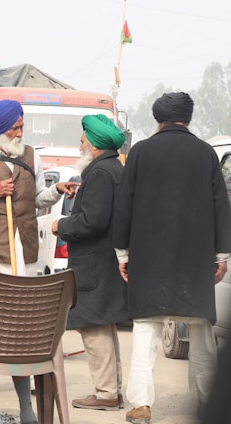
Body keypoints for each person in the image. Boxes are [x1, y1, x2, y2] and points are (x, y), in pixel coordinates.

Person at [0, 99, 78, 424]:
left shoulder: (30, 156)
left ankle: (26, 409)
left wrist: (57, 192)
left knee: (18, 335)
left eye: (22, 126)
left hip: (24, 257)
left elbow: (36, 199)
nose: (20, 132)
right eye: (14, 128)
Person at [112, 92, 231, 424]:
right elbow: (222, 207)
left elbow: (124, 208)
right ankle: (208, 404)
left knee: (145, 335)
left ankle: (141, 406)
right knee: (203, 342)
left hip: (149, 264)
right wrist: (221, 255)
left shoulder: (140, 153)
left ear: (158, 119)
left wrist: (123, 253)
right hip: (195, 266)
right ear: (187, 119)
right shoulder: (206, 154)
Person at [51, 114, 127, 411]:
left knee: (94, 328)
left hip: (94, 263)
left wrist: (62, 225)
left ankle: (106, 393)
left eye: (82, 140)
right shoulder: (113, 168)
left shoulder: (98, 173)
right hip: (104, 261)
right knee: (103, 327)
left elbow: (93, 221)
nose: (79, 145)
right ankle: (112, 391)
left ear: (94, 144)